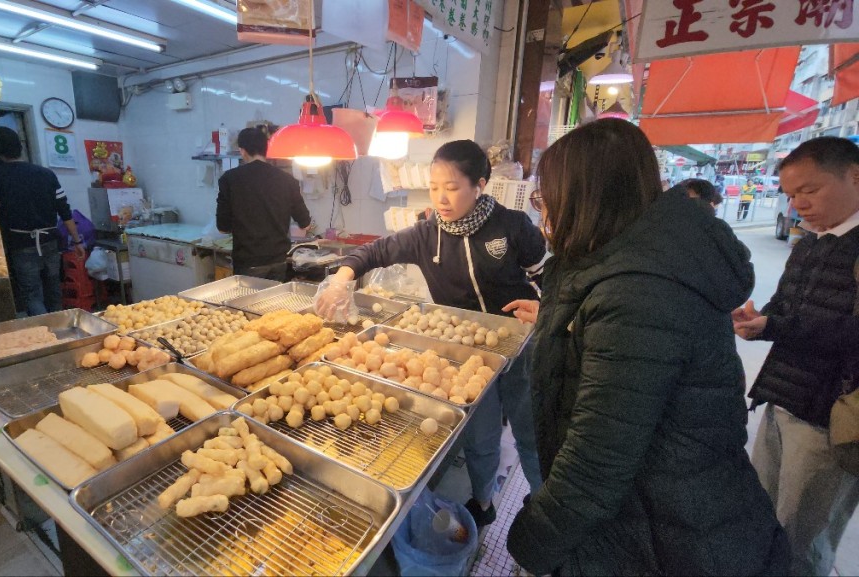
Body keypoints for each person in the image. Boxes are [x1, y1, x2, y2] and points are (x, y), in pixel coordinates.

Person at [506, 119, 788, 575]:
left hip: (669, 535)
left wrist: (530, 543)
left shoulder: (639, 291)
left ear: (587, 197)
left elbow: (596, 461)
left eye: (547, 198)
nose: (545, 214)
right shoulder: (650, 261)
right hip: (669, 512)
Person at [315, 139, 548, 527]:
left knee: (530, 431)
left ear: (480, 184)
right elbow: (373, 252)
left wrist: (545, 308)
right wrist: (341, 280)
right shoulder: (426, 234)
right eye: (435, 187)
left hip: (521, 346)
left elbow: (548, 275)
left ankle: (544, 507)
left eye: (452, 188)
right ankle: (484, 501)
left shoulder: (512, 226)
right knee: (480, 437)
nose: (441, 197)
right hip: (466, 356)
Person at [734, 136, 859, 577]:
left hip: (831, 420)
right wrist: (759, 320)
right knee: (760, 519)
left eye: (810, 190)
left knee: (802, 541)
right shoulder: (809, 244)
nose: (799, 204)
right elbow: (785, 310)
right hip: (781, 400)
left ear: (854, 175)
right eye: (791, 195)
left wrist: (778, 326)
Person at [0, 126, 84, 317]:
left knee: (32, 294)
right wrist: (77, 241)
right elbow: (65, 211)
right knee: (54, 287)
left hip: (21, 245)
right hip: (50, 242)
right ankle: (61, 330)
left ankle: (45, 336)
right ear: (21, 147)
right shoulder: (46, 174)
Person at [216, 127, 313, 281]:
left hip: (248, 262)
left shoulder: (229, 179)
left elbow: (223, 228)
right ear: (266, 150)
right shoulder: (287, 180)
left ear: (242, 151)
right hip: (278, 262)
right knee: (274, 304)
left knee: (247, 305)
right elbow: (305, 224)